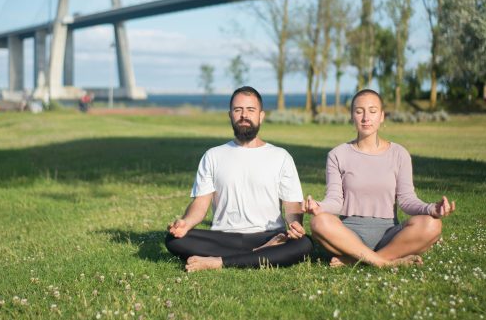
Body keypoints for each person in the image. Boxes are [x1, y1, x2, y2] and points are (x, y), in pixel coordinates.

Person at [165, 86, 313, 272]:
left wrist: (295, 225)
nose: (244, 115)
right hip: (224, 237)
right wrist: (185, 223)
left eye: (250, 110)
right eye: (238, 110)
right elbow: (200, 204)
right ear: (230, 115)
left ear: (261, 116)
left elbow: (292, 206)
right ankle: (259, 254)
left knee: (304, 244)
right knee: (173, 239)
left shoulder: (281, 156)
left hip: (269, 235)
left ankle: (218, 262)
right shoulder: (213, 155)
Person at [305, 89, 455, 268]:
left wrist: (431, 209)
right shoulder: (337, 155)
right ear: (352, 116)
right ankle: (384, 262)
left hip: (389, 235)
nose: (366, 117)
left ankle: (357, 259)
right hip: (349, 235)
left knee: (433, 226)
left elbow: (407, 200)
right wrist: (319, 207)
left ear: (382, 116)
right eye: (359, 111)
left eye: (372, 111)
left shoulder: (399, 154)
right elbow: (335, 201)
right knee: (319, 222)